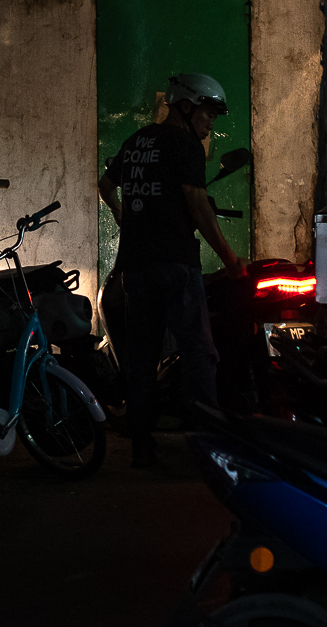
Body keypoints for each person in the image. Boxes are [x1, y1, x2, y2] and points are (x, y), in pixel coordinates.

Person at [97, 71, 247, 467]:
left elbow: (105, 185)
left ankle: (142, 448)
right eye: (208, 113)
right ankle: (207, 445)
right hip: (176, 264)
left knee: (142, 359)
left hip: (135, 267)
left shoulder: (136, 142)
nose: (211, 122)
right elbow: (198, 206)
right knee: (199, 353)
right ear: (186, 106)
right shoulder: (185, 145)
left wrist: (121, 215)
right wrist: (231, 259)